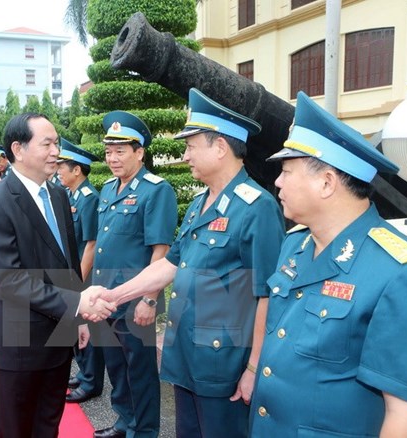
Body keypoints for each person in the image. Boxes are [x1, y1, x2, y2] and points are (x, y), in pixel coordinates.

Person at [92, 89, 286, 437]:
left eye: (191, 146)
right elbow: (170, 264)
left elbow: (268, 295)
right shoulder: (200, 203)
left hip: (223, 364)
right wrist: (115, 296)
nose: (185, 156)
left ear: (220, 148)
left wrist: (255, 367)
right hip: (186, 356)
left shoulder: (256, 208)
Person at [249, 91, 407, 437]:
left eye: (287, 170)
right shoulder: (294, 244)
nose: (278, 182)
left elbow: (406, 415)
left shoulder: (401, 271)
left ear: (327, 182)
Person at [0, 112, 115, 438]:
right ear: (18, 149)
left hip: (59, 337)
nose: (56, 151)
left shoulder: (58, 195)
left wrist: (76, 320)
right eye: (47, 143)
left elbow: (68, 262)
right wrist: (78, 305)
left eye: (57, 143)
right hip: (19, 339)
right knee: (17, 430)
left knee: (48, 425)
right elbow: (10, 280)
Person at [91, 111, 178, 438]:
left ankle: (143, 431)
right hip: (107, 299)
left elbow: (160, 251)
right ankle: (124, 421)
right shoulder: (109, 189)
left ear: (140, 152)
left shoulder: (156, 190)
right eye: (108, 151)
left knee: (140, 371)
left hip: (134, 303)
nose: (112, 158)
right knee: (116, 366)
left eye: (120, 151)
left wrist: (148, 299)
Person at [56, 138, 106, 404]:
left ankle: (91, 382)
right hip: (74, 272)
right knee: (75, 327)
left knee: (88, 329)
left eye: (63, 166)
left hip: (84, 276)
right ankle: (84, 373)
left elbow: (92, 243)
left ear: (77, 170)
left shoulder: (89, 198)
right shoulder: (71, 194)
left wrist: (78, 280)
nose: (58, 170)